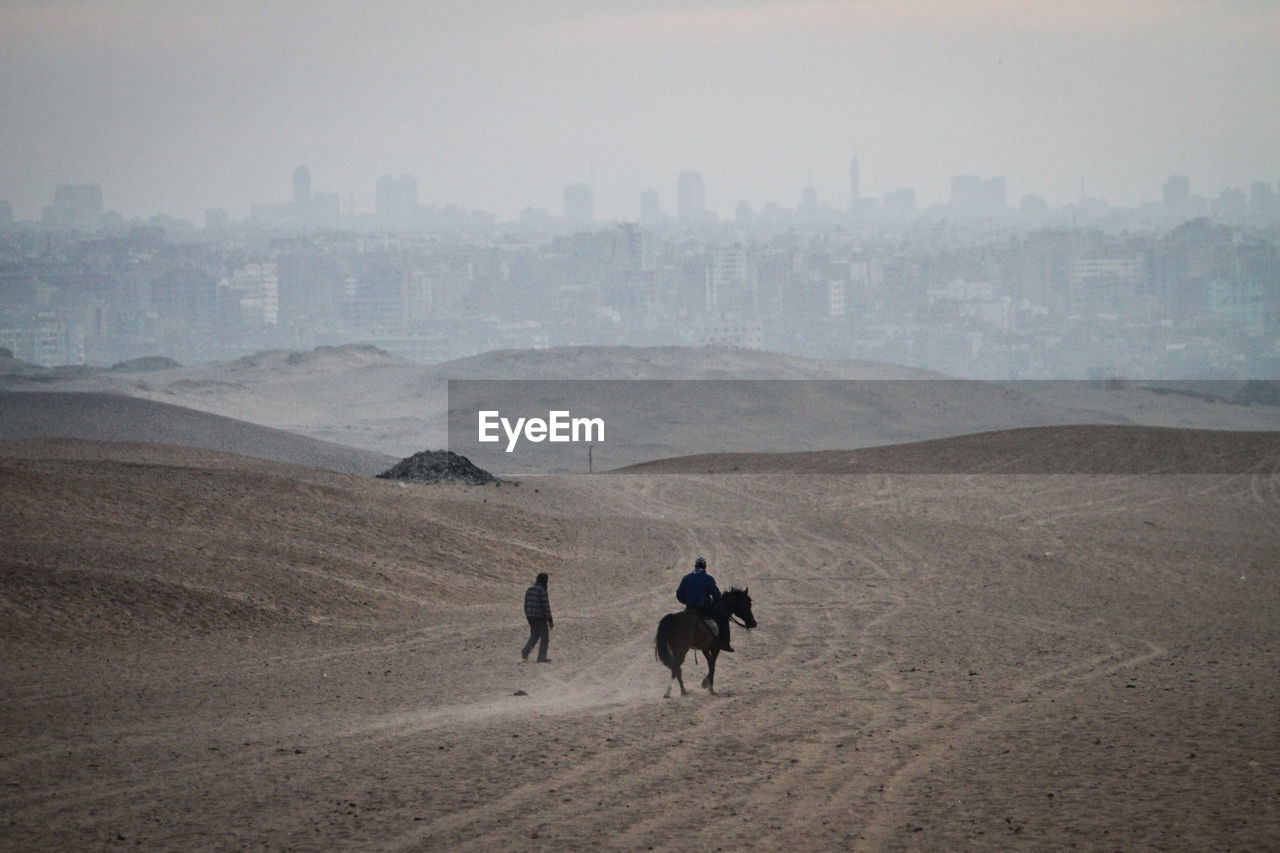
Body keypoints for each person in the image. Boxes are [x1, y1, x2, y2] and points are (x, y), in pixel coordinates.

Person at [675, 556, 733, 652]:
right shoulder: (708, 578)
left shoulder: (686, 578)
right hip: (704, 608)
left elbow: (679, 595)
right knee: (723, 617)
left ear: (695, 566)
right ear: (705, 567)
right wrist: (713, 603)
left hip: (689, 608)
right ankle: (725, 643)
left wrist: (688, 602)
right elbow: (717, 596)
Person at [521, 572, 553, 662]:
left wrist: (528, 615)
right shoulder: (542, 591)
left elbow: (525, 604)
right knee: (544, 636)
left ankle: (525, 651)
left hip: (530, 615)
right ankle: (541, 657)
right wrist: (550, 620)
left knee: (535, 634)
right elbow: (546, 607)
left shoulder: (529, 589)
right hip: (540, 616)